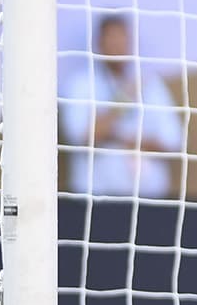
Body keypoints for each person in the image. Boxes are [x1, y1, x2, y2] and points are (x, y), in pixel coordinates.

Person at [60, 14, 184, 199]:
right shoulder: (81, 85)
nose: (117, 45)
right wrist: (123, 100)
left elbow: (173, 141)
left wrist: (120, 139)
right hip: (95, 200)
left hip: (148, 200)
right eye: (111, 38)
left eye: (122, 38)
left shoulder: (150, 84)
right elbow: (82, 136)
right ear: (99, 43)